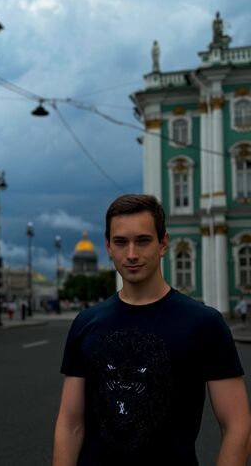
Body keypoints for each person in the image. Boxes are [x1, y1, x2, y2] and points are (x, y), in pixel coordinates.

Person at [52, 194, 251, 466]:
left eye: (143, 241)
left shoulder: (205, 324)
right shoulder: (86, 323)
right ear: (108, 246)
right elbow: (70, 424)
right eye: (121, 242)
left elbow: (237, 426)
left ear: (163, 244)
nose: (132, 254)